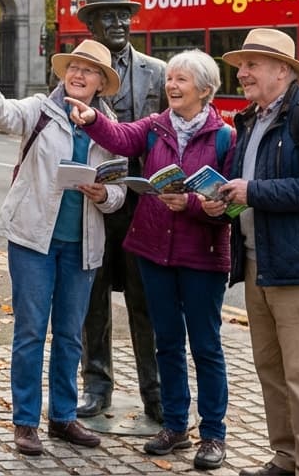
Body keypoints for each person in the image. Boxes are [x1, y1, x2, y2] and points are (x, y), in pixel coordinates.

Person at [66, 49, 234, 470]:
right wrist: (92, 120)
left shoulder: (225, 137)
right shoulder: (156, 128)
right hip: (154, 252)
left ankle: (213, 433)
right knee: (168, 344)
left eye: (181, 81)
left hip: (202, 258)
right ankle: (175, 426)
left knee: (206, 346)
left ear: (205, 90)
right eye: (170, 79)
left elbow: (233, 205)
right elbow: (121, 138)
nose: (171, 87)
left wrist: (195, 206)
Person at [0, 39, 125, 456]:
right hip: (33, 239)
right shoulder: (41, 108)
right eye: (73, 67)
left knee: (71, 336)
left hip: (83, 245)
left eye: (88, 71)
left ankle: (63, 416)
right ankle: (25, 423)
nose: (78, 74)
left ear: (100, 84)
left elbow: (118, 195)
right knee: (31, 332)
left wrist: (101, 196)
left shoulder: (108, 129)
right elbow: (8, 115)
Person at [217, 28, 299, 476]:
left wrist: (252, 190)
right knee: (271, 369)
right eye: (241, 65)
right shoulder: (251, 119)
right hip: (259, 262)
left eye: (252, 64)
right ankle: (286, 457)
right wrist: (223, 200)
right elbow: (248, 191)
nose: (243, 73)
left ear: (283, 71)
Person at [75, 0, 165, 423]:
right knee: (93, 302)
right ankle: (97, 387)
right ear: (91, 24)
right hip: (94, 205)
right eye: (108, 16)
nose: (119, 23)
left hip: (142, 206)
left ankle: (154, 389)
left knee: (144, 300)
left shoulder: (158, 72)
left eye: (124, 15)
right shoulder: (80, 74)